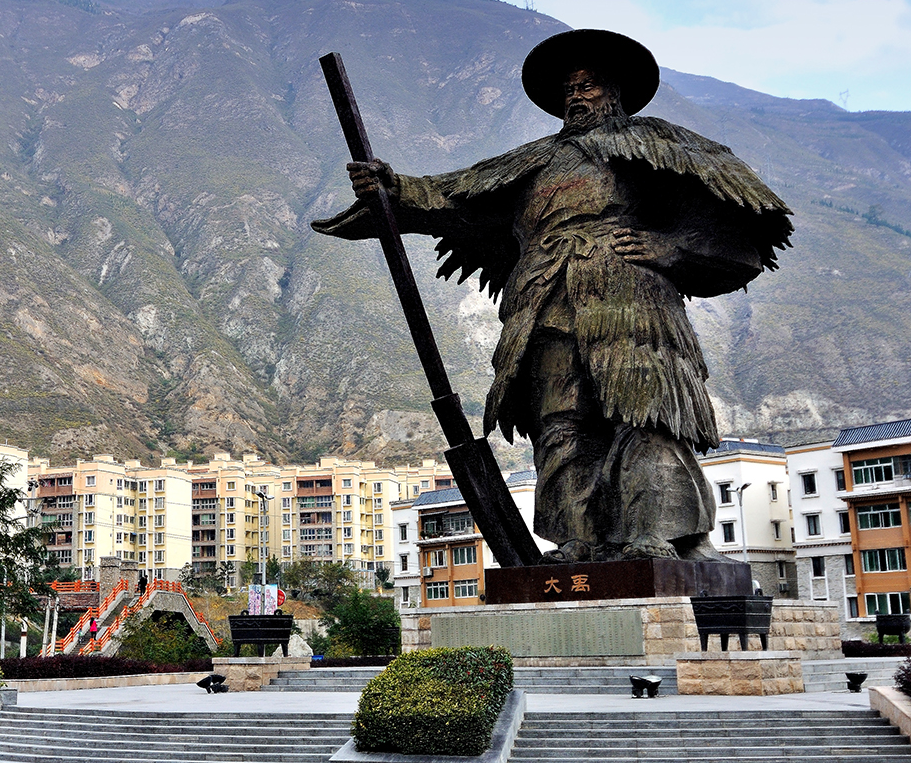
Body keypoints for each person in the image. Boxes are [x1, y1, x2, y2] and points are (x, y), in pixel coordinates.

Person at [313, 30, 792, 562]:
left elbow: (737, 224)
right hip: (544, 304)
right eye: (569, 88)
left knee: (643, 413)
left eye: (587, 85)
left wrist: (668, 246)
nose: (576, 96)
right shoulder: (533, 161)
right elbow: (457, 195)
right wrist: (393, 184)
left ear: (614, 92)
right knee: (560, 423)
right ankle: (576, 539)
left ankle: (656, 534)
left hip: (630, 304)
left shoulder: (657, 146)